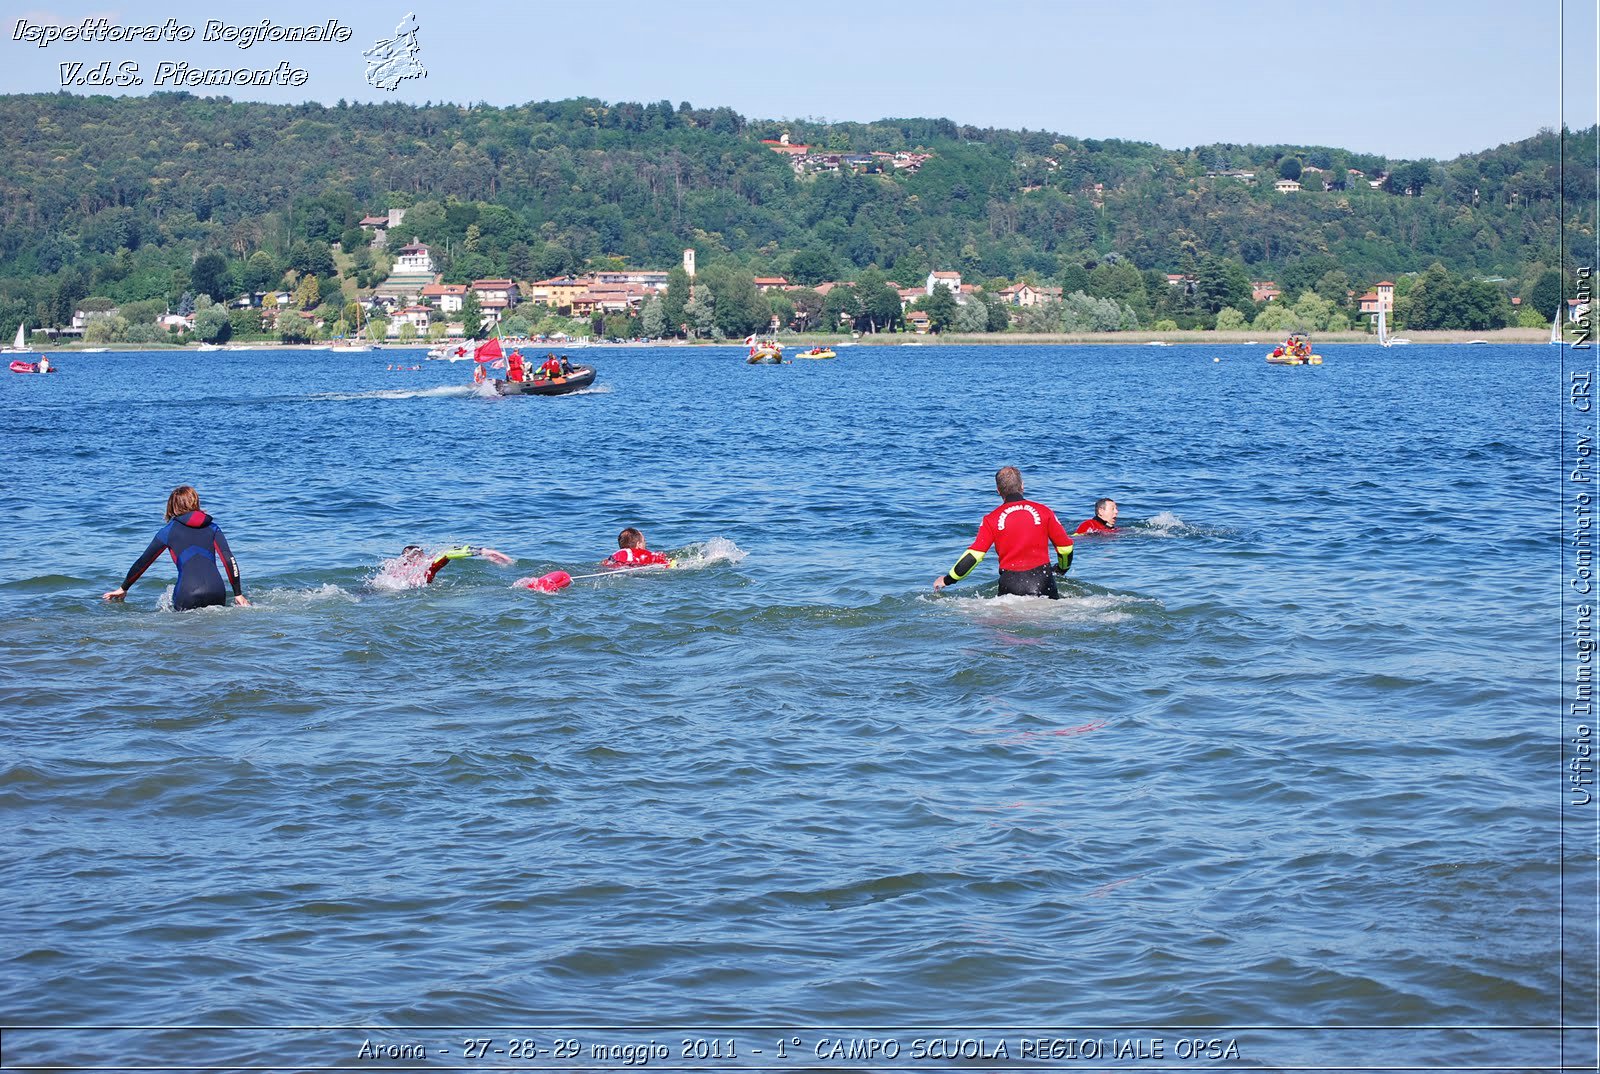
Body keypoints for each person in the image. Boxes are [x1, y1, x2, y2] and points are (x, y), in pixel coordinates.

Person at [933, 466, 1073, 599]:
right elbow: (1066, 548)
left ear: (998, 490)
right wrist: (1061, 569)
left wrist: (948, 579)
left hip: (1010, 586)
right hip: (1043, 582)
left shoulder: (990, 519)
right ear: (1022, 485)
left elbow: (974, 556)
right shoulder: (1044, 511)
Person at [103, 485, 248, 610]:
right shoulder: (213, 528)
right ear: (196, 502)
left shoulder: (168, 531)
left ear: (172, 506)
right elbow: (229, 559)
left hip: (187, 594)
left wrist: (123, 588)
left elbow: (143, 562)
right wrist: (238, 593)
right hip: (217, 592)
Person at [394, 544, 513, 587]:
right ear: (421, 555)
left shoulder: (396, 568)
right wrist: (483, 551)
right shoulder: (427, 565)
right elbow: (448, 552)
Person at [604, 527, 673, 568]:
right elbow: (666, 563)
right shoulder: (640, 553)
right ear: (638, 544)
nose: (645, 543)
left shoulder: (615, 555)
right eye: (644, 541)